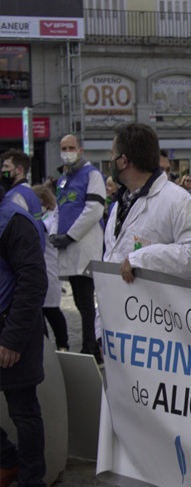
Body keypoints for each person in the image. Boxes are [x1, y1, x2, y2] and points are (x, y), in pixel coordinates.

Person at [99, 122, 191, 487]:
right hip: (126, 330)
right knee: (135, 417)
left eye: (113, 155)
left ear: (124, 160)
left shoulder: (176, 201)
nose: (111, 162)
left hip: (166, 333)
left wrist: (147, 256)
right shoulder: (121, 203)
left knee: (171, 418)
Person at [0, 181, 48, 487]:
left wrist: (12, 339)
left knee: (23, 409)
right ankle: (7, 462)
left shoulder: (14, 222)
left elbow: (33, 281)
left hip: (14, 328)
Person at [52, 134, 104, 362]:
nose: (67, 151)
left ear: (80, 150)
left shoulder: (91, 174)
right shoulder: (64, 177)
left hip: (84, 247)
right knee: (80, 302)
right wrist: (55, 233)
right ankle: (90, 346)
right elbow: (58, 209)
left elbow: (94, 209)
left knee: (85, 303)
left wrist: (70, 235)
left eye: (71, 147)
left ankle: (91, 347)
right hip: (70, 249)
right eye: (64, 147)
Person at [33, 184, 69, 351]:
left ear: (42, 200)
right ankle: (46, 347)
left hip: (50, 269)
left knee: (52, 311)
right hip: (40, 269)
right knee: (39, 312)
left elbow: (44, 229)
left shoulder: (50, 217)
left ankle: (63, 345)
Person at [1, 150, 44, 243]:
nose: (2, 170)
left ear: (19, 169)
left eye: (6, 166)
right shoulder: (30, 193)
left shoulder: (16, 196)